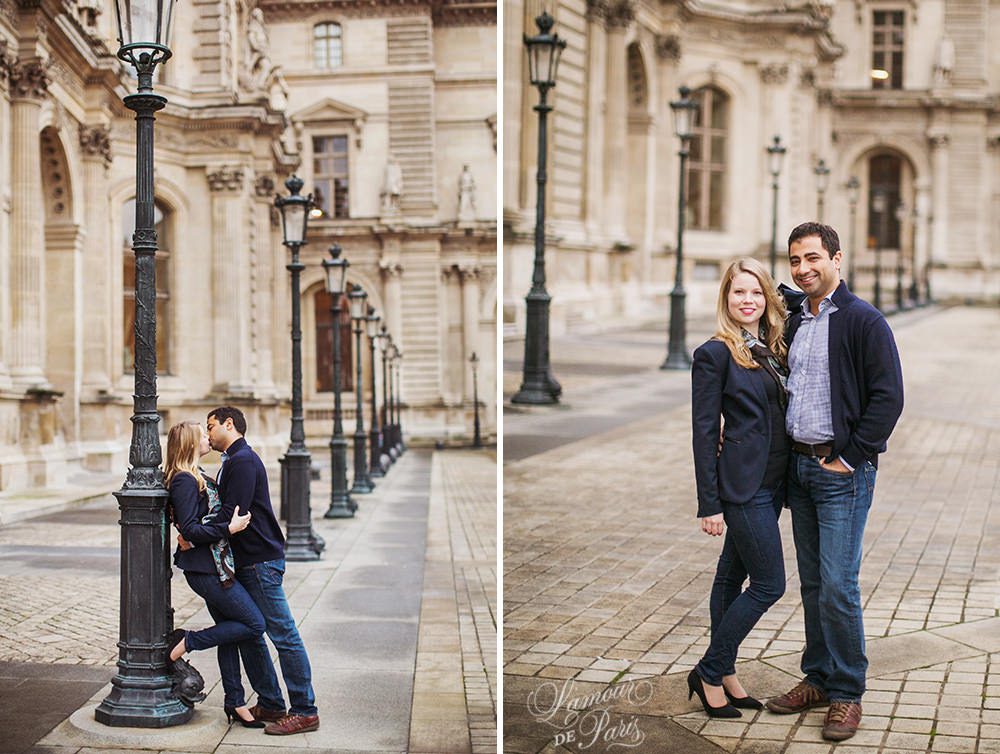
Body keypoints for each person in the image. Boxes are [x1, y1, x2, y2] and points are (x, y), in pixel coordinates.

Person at [766, 222, 904, 742]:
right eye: (795, 260)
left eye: (812, 259)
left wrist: (848, 457)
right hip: (799, 470)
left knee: (839, 587)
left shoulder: (865, 321)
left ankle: (847, 690)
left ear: (836, 259)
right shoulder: (796, 319)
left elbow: (888, 398)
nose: (803, 269)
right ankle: (819, 676)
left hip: (840, 472)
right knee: (814, 584)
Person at [689, 257, 790, 718]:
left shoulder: (768, 348)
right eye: (738, 292)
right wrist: (709, 502)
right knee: (770, 584)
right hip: (743, 488)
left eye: (755, 292)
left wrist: (778, 296)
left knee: (731, 577)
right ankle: (710, 670)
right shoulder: (715, 354)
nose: (747, 301)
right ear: (725, 300)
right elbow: (705, 432)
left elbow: (787, 300)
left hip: (774, 485)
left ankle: (725, 673)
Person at [206, 406, 320, 736]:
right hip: (248, 561)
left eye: (211, 426)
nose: (208, 433)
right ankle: (270, 702)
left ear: (230, 424)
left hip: (260, 562)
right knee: (250, 631)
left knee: (283, 635)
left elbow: (232, 514)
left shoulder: (242, 460)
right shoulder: (233, 460)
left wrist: (195, 530)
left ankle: (305, 710)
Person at [164, 420, 266, 727]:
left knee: (231, 632)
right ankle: (187, 641)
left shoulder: (196, 475)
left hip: (215, 565)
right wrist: (229, 528)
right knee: (253, 623)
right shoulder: (183, 479)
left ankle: (235, 702)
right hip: (206, 570)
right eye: (202, 433)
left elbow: (192, 527)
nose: (208, 437)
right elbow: (192, 528)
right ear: (190, 443)